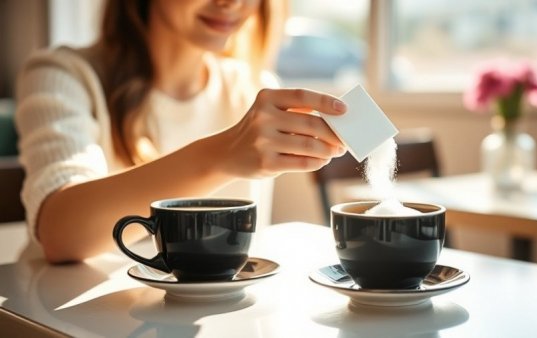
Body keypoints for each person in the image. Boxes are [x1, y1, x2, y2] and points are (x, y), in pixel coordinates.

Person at [15, 0, 347, 264]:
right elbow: (60, 233)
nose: (232, 2)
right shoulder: (61, 76)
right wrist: (222, 154)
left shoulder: (251, 90)